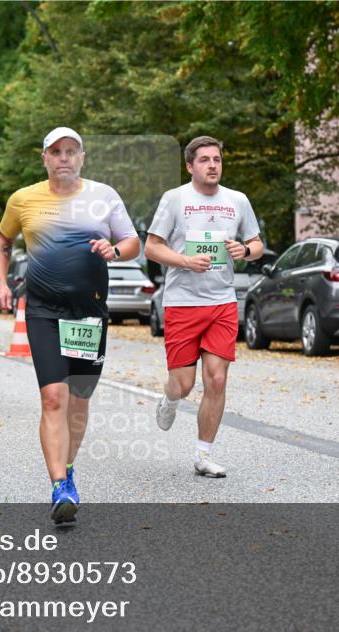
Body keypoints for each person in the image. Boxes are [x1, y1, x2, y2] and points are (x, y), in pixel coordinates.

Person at [0, 127, 140, 523]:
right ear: (44, 158)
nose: (63, 157)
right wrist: (2, 282)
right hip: (43, 310)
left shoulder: (103, 196)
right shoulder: (23, 199)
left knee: (78, 399)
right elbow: (2, 240)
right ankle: (60, 485)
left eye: (70, 151)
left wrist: (115, 249)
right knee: (53, 398)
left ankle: (68, 467)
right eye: (56, 151)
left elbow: (132, 241)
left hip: (89, 313)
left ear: (82, 157)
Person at [144, 135, 263, 478]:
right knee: (182, 384)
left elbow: (256, 243)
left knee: (217, 379)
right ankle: (169, 400)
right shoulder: (175, 199)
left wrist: (246, 250)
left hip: (222, 302)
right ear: (190, 166)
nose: (213, 165)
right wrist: (183, 261)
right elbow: (152, 247)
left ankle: (203, 455)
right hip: (182, 303)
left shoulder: (237, 201)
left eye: (217, 160)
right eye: (205, 160)